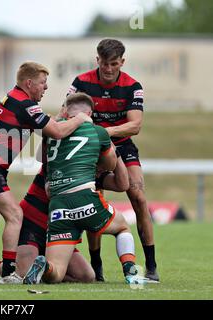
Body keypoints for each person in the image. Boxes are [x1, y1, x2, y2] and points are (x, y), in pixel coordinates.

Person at [0, 62, 92, 284]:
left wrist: (58, 116)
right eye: (42, 83)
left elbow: (47, 125)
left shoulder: (15, 98)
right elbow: (56, 132)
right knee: (15, 215)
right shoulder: (25, 104)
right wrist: (79, 118)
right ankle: (9, 273)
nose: (45, 88)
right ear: (29, 83)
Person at [0, 110, 130, 284]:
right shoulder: (57, 159)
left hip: (60, 227)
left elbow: (122, 184)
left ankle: (43, 266)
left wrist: (115, 153)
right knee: (22, 274)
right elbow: (42, 146)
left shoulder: (88, 169)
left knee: (86, 276)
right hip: (34, 223)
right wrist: (55, 123)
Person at [23, 93, 146, 285]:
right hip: (84, 198)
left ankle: (44, 267)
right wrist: (115, 153)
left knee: (56, 272)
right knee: (122, 227)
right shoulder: (97, 132)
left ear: (66, 111)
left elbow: (41, 159)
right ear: (90, 113)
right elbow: (114, 168)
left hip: (57, 206)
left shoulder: (52, 133)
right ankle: (131, 272)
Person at [68, 39, 159, 282]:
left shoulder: (132, 86)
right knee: (94, 203)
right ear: (97, 60)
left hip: (121, 146)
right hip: (92, 150)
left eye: (114, 64)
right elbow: (67, 112)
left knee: (139, 196)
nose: (108, 69)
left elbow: (135, 125)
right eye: (104, 63)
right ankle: (96, 268)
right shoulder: (81, 83)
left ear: (122, 62)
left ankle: (151, 267)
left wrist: (103, 132)